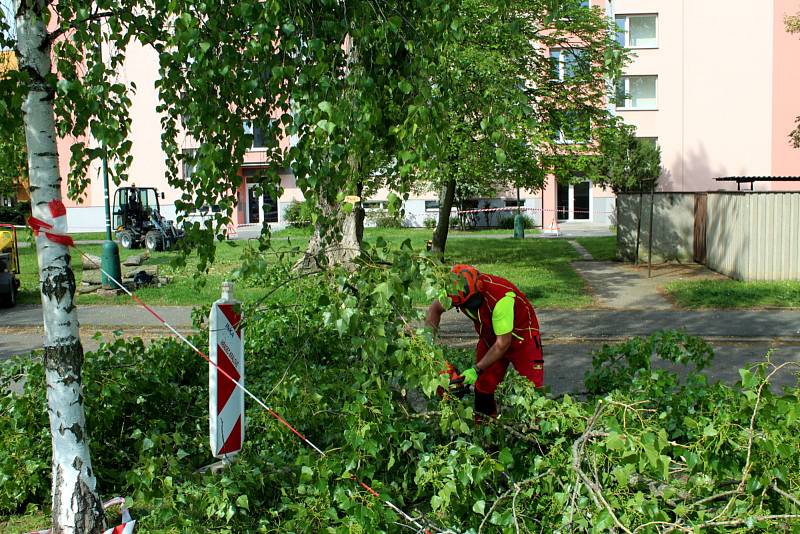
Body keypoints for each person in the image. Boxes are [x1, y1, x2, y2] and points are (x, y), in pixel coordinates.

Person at [426, 264, 544, 419]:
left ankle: (536, 428)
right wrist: (428, 346)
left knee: (532, 389)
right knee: (483, 385)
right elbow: (435, 309)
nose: (471, 307)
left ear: (479, 287)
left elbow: (502, 344)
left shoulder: (502, 298)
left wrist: (476, 369)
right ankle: (485, 428)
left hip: (523, 338)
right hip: (489, 336)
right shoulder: (455, 290)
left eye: (472, 302)